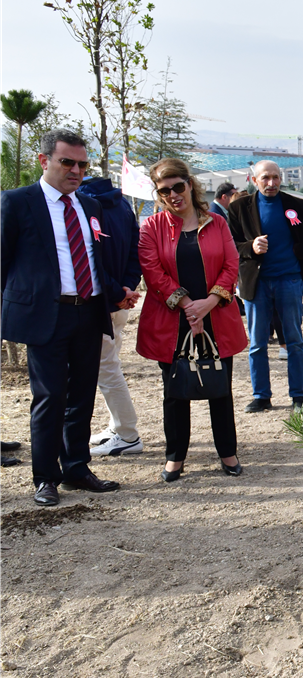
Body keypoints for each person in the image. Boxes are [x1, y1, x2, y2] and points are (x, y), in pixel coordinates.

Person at [0, 129, 120, 505]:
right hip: (45, 316)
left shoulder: (91, 206)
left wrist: (117, 292)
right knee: (50, 397)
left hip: (89, 312)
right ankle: (45, 477)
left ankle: (76, 469)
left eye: (82, 164)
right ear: (44, 160)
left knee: (82, 395)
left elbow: (95, 261)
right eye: (67, 162)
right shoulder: (17, 202)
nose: (76, 171)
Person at [136, 158, 248, 482]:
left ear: (190, 184)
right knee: (174, 391)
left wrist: (208, 303)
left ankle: (228, 452)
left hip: (216, 316)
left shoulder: (217, 223)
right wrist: (188, 305)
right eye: (164, 190)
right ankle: (175, 456)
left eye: (178, 186)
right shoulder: (151, 227)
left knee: (220, 388)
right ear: (158, 194)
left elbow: (231, 265)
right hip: (172, 320)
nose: (173, 195)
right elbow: (152, 271)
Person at [227, 160, 303, 414]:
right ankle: (261, 396)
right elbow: (230, 244)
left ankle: (298, 396)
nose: (271, 183)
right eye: (265, 178)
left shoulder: (297, 205)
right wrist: (251, 247)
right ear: (255, 181)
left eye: (275, 177)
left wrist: (299, 250)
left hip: (290, 281)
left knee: (294, 341)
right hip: (257, 283)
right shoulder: (239, 207)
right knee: (257, 343)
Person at [76, 175, 144, 457]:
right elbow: (136, 252)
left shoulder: (82, 205)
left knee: (107, 370)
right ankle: (118, 426)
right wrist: (127, 287)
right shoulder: (123, 205)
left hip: (100, 302)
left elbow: (88, 259)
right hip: (118, 302)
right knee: (109, 366)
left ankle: (127, 434)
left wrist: (118, 292)